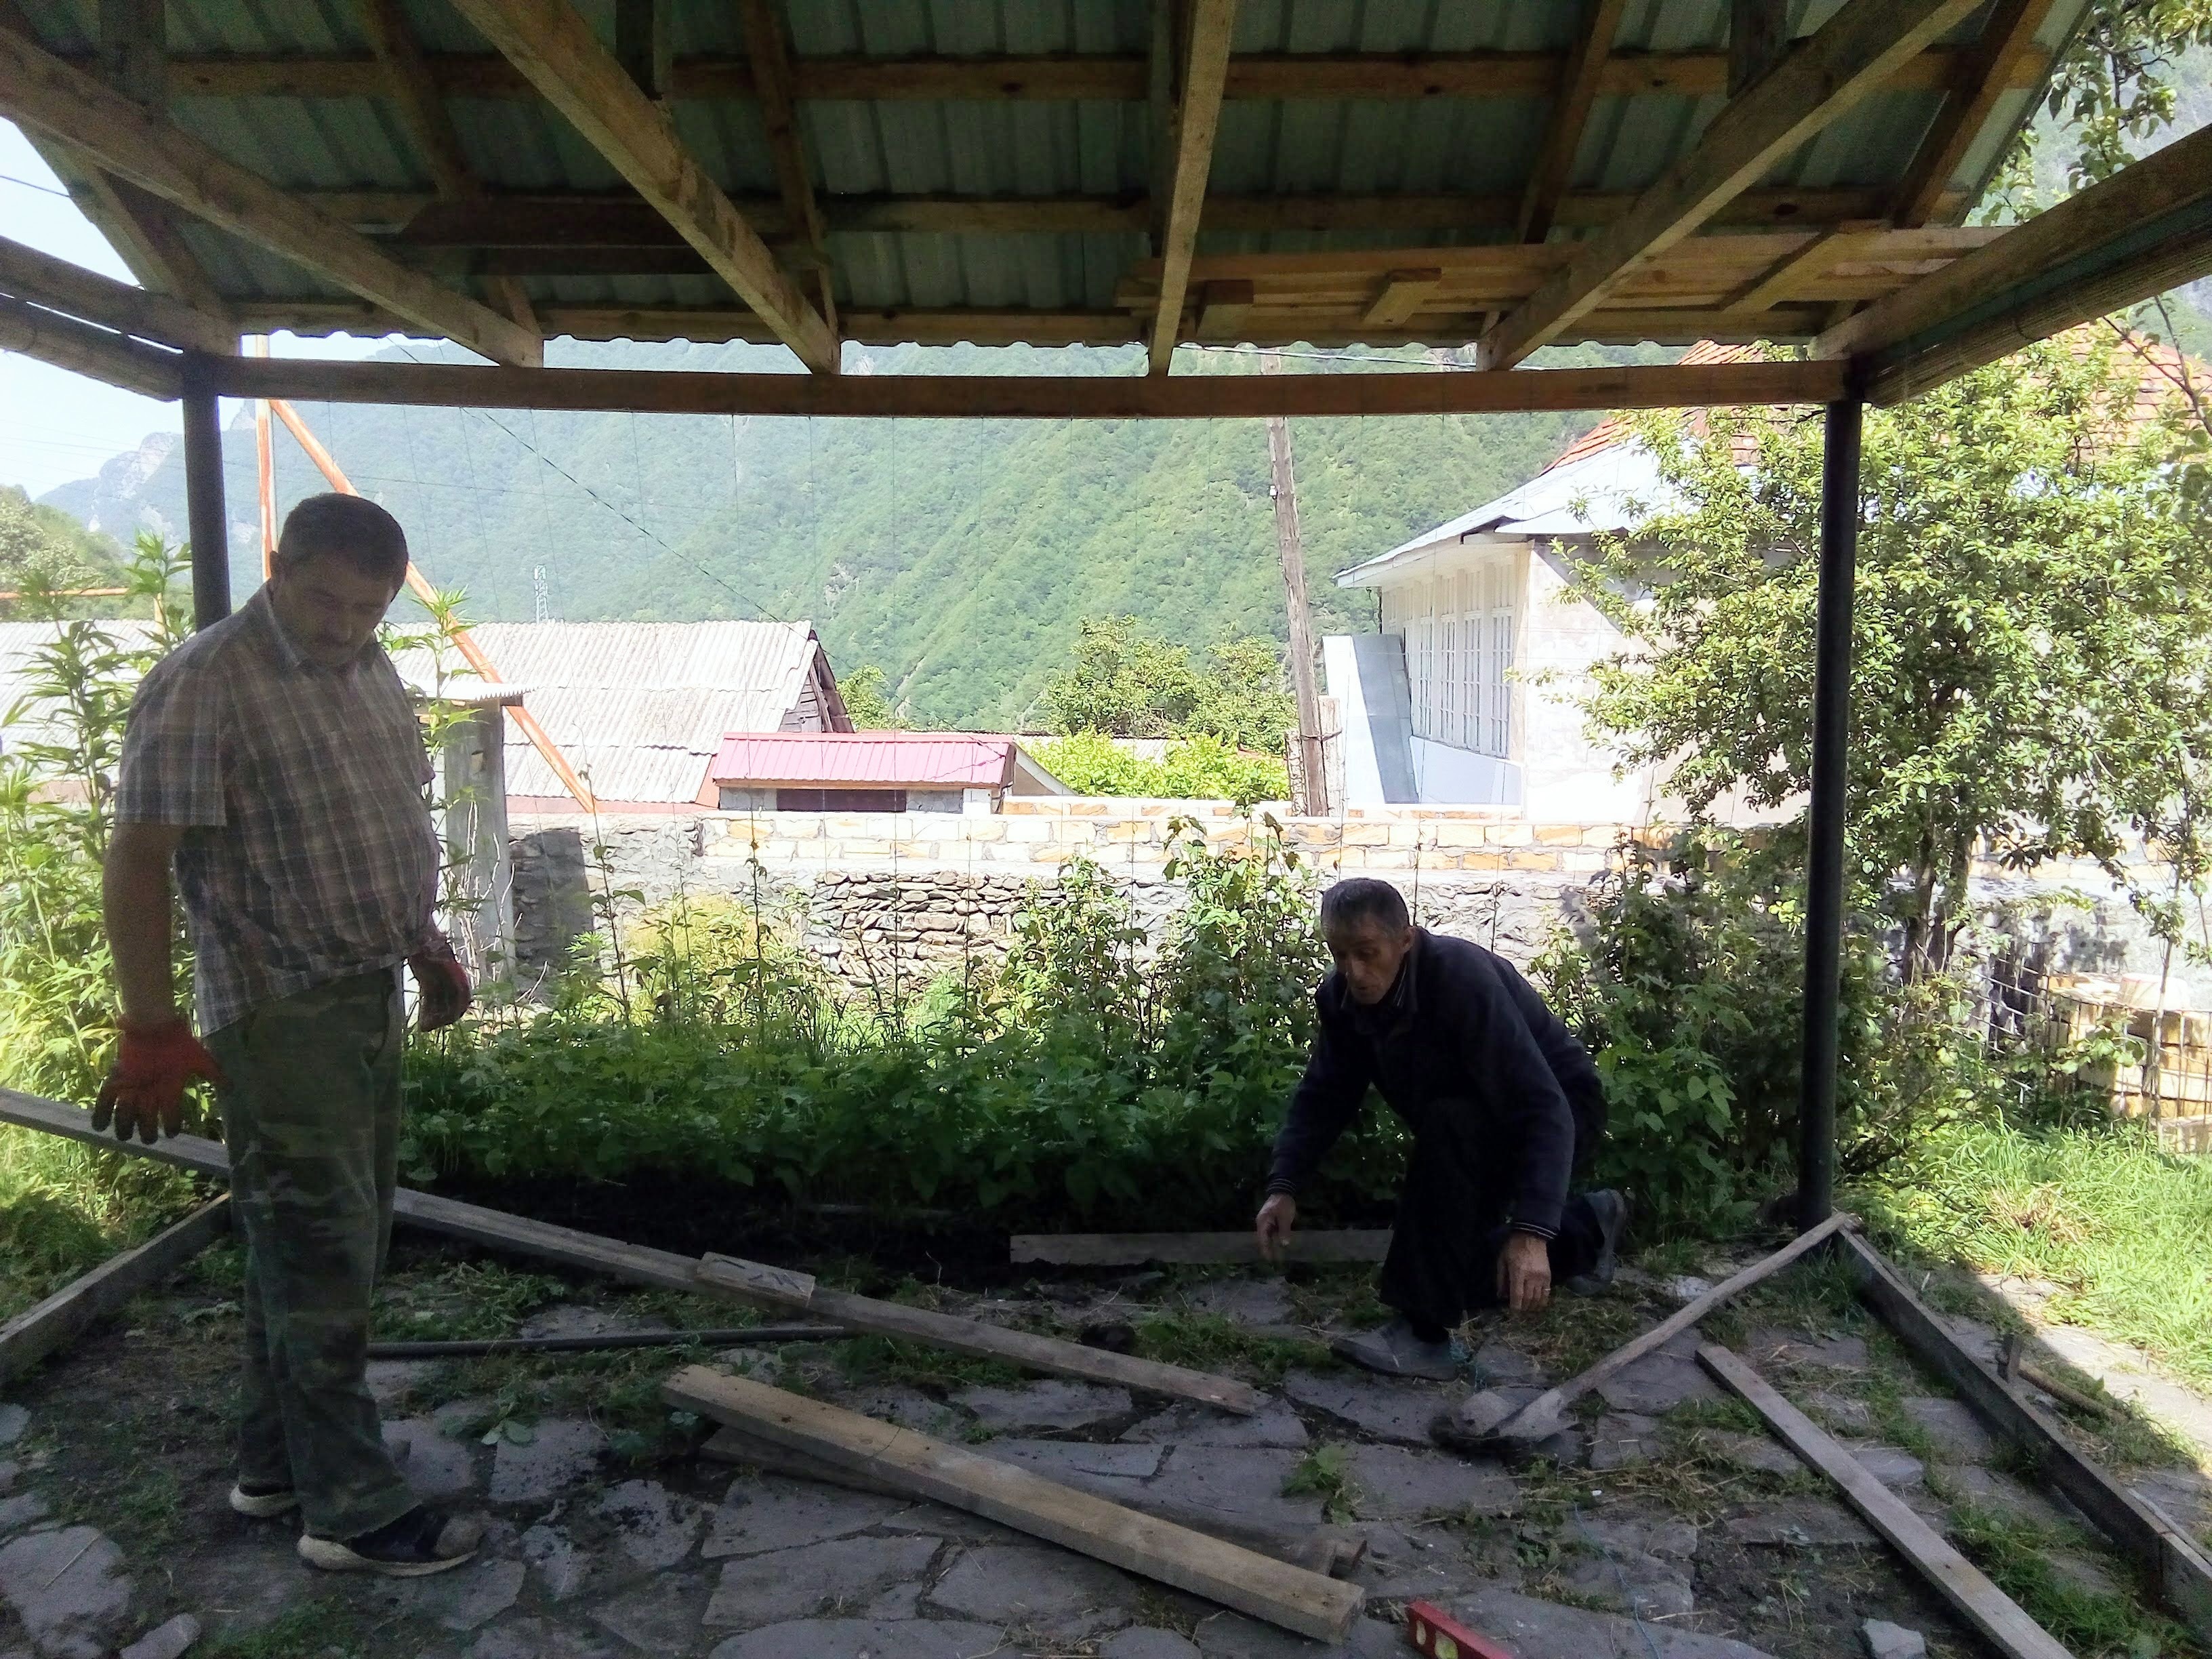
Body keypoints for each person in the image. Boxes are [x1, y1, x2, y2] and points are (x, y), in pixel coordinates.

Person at [97, 493, 482, 1577]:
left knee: (324, 1238)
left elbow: (381, 816)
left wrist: (423, 944)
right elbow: (138, 858)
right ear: (279, 567)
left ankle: (274, 1468)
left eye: (367, 609)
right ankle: (352, 1513)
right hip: (278, 1007)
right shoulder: (204, 680)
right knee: (322, 1248)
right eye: (323, 601)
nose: (341, 627)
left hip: (365, 989)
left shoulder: (369, 666)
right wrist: (150, 1026)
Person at [1255, 878, 1625, 1380]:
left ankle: (1422, 1335)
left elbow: (1544, 1105)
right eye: (1339, 954)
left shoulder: (1460, 980)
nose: (1354, 972)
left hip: (1561, 1114)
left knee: (1452, 1158)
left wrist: (1532, 1232)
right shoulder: (1342, 999)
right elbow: (1325, 1094)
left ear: (1405, 940)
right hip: (1467, 1127)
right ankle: (1589, 1226)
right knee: (1458, 1274)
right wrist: (1284, 1186)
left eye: (1367, 953)